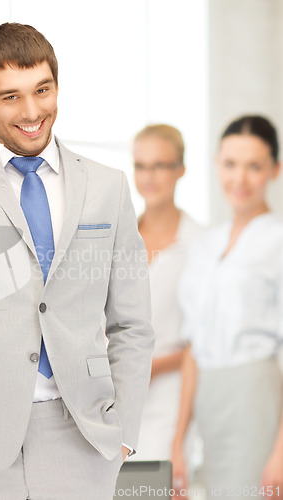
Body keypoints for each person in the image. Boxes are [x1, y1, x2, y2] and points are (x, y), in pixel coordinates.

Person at [0, 23, 154, 500]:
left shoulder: (108, 186)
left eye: (43, 90)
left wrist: (123, 431)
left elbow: (133, 323)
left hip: (81, 432)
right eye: (11, 97)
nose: (33, 111)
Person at [172, 115, 283, 499]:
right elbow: (192, 349)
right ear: (217, 165)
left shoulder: (277, 241)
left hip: (256, 397)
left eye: (254, 166)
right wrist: (178, 444)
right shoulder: (205, 245)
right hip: (209, 400)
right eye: (230, 164)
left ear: (275, 170)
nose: (240, 178)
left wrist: (281, 454)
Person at [130, 124, 202, 461]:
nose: (149, 176)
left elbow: (200, 342)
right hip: (115, 398)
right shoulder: (118, 238)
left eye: (160, 165)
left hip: (171, 401)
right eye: (141, 166)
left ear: (180, 170)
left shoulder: (202, 244)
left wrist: (152, 367)